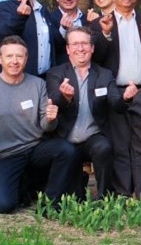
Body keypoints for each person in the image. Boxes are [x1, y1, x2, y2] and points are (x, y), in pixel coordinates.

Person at [0, 37, 79, 213]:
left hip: (36, 148)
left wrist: (51, 119)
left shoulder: (37, 84)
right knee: (4, 206)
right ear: (0, 59)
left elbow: (47, 127)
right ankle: (25, 188)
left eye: (19, 56)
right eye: (9, 56)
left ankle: (50, 203)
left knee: (67, 150)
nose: (14, 61)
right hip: (7, 154)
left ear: (26, 59)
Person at [91, 0, 141, 197]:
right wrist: (105, 35)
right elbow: (98, 59)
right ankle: (122, 193)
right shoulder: (100, 23)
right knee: (120, 145)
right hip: (116, 92)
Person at [46, 26, 121, 201]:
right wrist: (65, 97)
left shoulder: (104, 74)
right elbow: (53, 100)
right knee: (75, 197)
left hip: (92, 138)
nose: (80, 48)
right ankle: (77, 186)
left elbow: (116, 102)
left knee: (103, 147)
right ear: (67, 49)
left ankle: (105, 198)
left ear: (92, 48)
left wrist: (125, 98)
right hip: (65, 140)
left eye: (84, 44)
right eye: (75, 44)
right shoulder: (56, 73)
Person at [0, 0, 65, 77]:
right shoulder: (4, 8)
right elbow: (5, 31)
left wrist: (64, 28)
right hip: (17, 78)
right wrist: (20, 17)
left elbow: (52, 43)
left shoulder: (42, 9)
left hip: (45, 77)